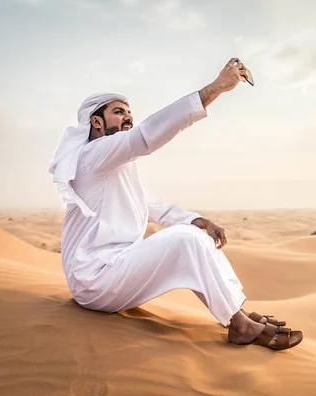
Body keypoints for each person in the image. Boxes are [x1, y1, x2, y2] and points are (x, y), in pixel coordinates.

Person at [48, 58, 302, 350]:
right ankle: (240, 325)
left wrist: (197, 220)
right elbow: (146, 136)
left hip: (115, 268)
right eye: (119, 112)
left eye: (129, 112)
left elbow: (155, 207)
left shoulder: (114, 167)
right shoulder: (94, 155)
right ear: (96, 122)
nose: (128, 118)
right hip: (95, 279)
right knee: (184, 240)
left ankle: (239, 310)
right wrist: (216, 89)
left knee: (194, 234)